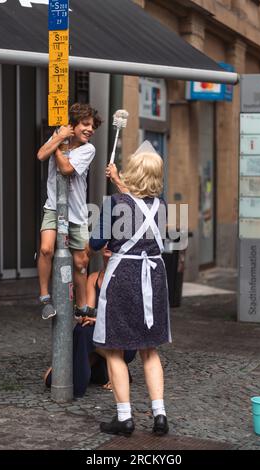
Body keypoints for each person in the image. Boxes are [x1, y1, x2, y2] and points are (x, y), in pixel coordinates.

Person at [88, 141, 171, 437]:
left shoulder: (114, 204)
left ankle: (125, 418)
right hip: (155, 278)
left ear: (132, 172)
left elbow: (96, 243)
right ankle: (159, 414)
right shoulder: (162, 207)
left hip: (123, 277)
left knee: (114, 348)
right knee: (150, 349)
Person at [37, 103, 102, 320]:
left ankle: (81, 306)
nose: (90, 129)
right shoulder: (59, 136)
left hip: (77, 213)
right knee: (46, 249)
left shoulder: (88, 149)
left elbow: (65, 169)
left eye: (92, 126)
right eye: (85, 124)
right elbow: (40, 155)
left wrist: (58, 144)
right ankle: (45, 298)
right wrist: (59, 138)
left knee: (81, 261)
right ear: (72, 125)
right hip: (53, 207)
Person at [44, 245, 136, 397]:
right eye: (105, 242)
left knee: (83, 333)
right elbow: (88, 314)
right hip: (100, 336)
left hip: (123, 339)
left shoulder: (127, 277)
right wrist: (91, 318)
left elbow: (127, 318)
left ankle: (74, 382)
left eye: (112, 241)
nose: (108, 245)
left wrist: (100, 319)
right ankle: (109, 367)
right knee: (83, 328)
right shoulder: (94, 277)